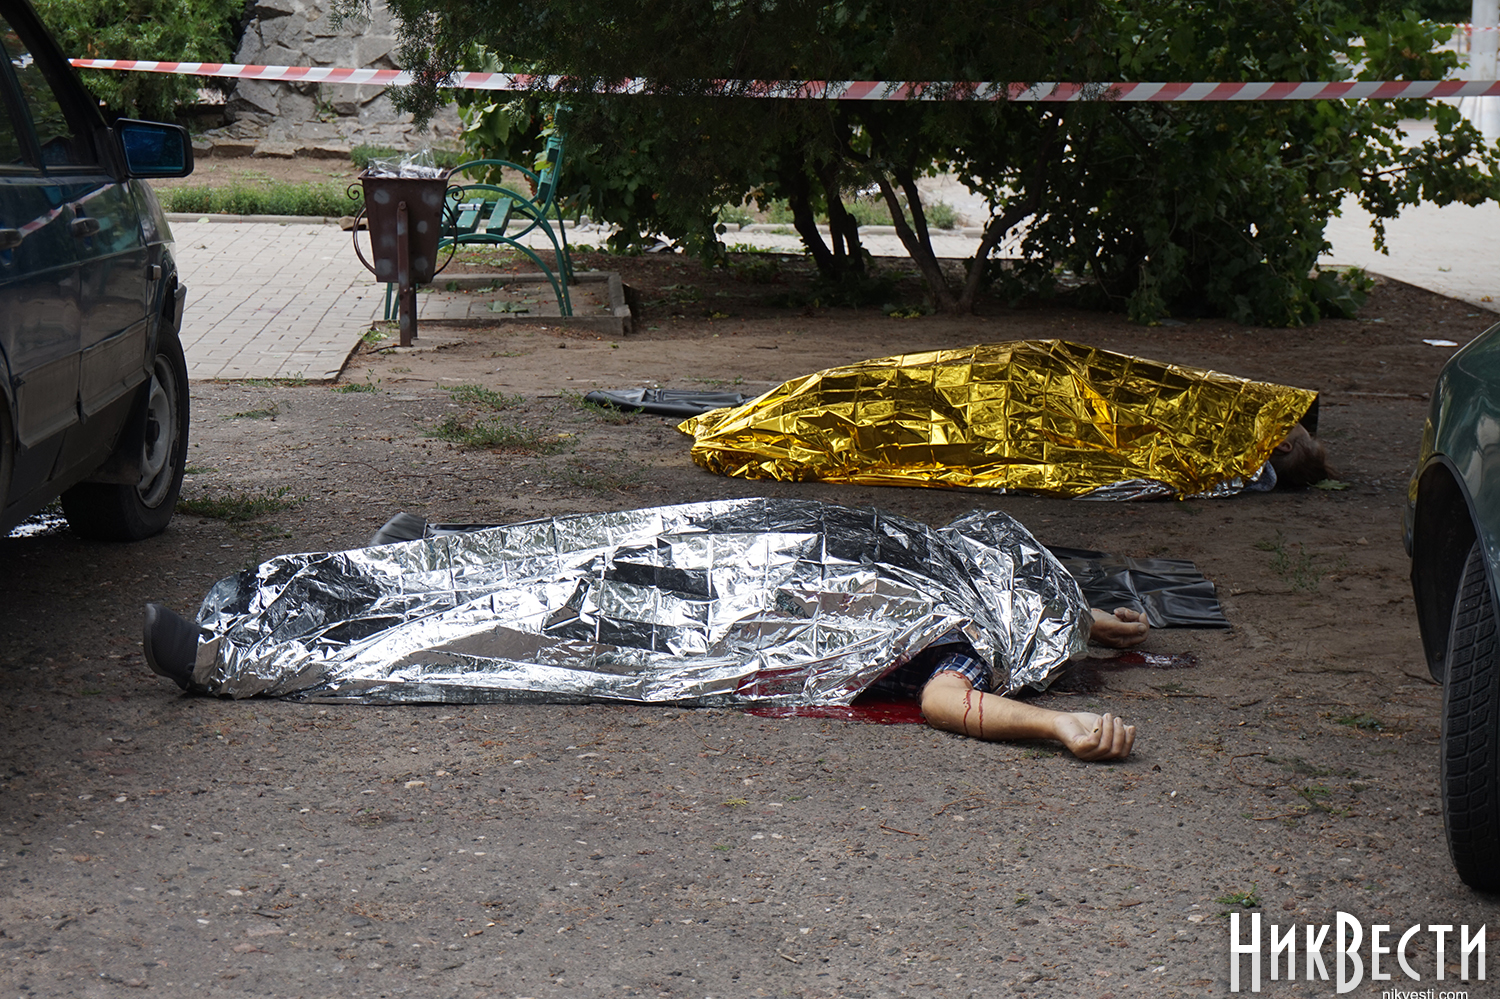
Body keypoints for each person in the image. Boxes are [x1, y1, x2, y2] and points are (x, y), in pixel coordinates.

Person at [140, 498, 1146, 762]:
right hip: (718, 546)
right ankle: (419, 559)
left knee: (530, 621)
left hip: (699, 617)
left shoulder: (962, 641)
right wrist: (1098, 624)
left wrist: (1058, 724)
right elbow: (1042, 599)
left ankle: (233, 658)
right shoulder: (964, 565)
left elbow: (951, 706)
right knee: (565, 551)